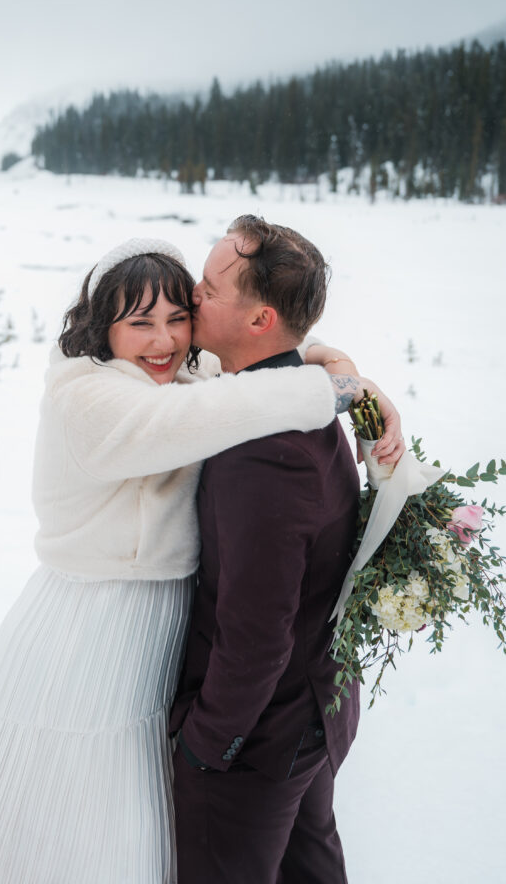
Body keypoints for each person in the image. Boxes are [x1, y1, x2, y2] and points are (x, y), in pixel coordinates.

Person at [0, 236, 400, 884]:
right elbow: (208, 410)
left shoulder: (186, 378)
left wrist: (335, 367)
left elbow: (248, 373)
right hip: (89, 625)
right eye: (139, 323)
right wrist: (334, 388)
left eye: (177, 317)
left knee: (130, 805)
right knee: (72, 798)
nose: (162, 340)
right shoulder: (88, 399)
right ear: (101, 327)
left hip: (155, 629)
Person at [171, 216, 372, 884]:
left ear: (259, 320)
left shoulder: (266, 452)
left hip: (258, 740)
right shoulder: (301, 401)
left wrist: (206, 745)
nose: (190, 295)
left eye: (207, 286)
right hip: (309, 713)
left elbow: (256, 634)